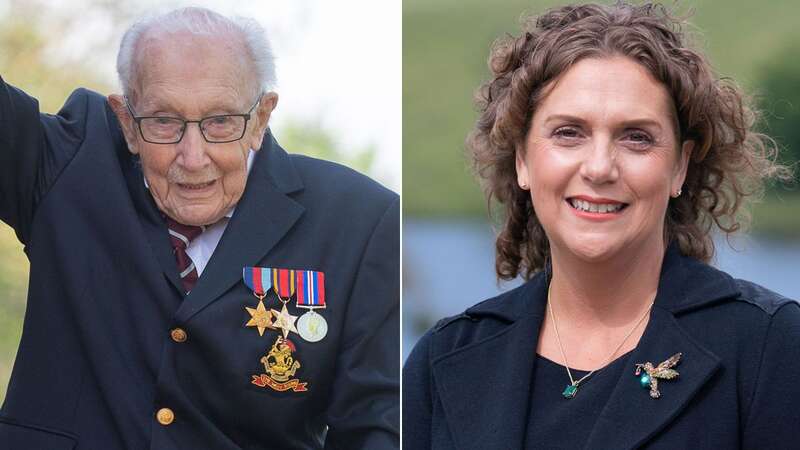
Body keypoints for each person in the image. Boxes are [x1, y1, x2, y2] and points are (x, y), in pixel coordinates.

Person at [403, 2, 798, 449]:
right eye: (569, 132)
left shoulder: (771, 346)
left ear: (680, 167)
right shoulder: (442, 358)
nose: (599, 167)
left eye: (636, 137)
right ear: (522, 160)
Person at [0, 7, 398, 449]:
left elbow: (374, 426)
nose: (193, 156)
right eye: (164, 122)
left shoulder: (359, 222)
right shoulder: (70, 164)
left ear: (262, 118)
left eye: (221, 122)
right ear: (127, 123)